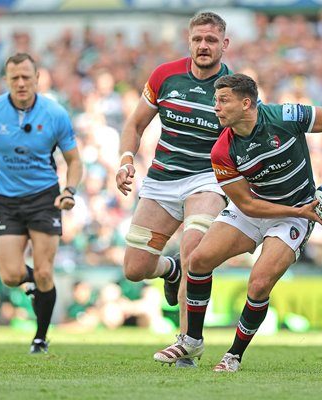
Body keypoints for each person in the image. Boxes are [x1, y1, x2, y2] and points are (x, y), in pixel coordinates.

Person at [153, 73, 322, 372]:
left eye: (223, 101)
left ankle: (233, 355)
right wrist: (300, 212)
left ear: (246, 103)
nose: (216, 108)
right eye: (215, 101)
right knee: (198, 260)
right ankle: (192, 340)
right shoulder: (222, 150)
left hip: (294, 213)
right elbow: (247, 203)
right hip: (256, 208)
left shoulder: (284, 116)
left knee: (260, 283)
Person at [115, 11, 230, 368]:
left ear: (224, 44)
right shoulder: (165, 75)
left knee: (194, 251)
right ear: (188, 41)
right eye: (198, 39)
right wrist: (126, 159)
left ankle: (187, 343)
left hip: (207, 181)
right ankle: (170, 269)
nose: (203, 46)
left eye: (211, 40)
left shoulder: (234, 87)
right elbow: (135, 122)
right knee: (135, 268)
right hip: (162, 180)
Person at [0, 53, 82, 353]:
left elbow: (74, 160)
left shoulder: (55, 113)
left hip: (45, 198)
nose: (20, 83)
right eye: (14, 78)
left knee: (45, 271)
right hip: (5, 199)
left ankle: (40, 337)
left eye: (26, 77)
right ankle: (40, 289)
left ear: (37, 78)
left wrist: (69, 190)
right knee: (10, 276)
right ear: (6, 80)